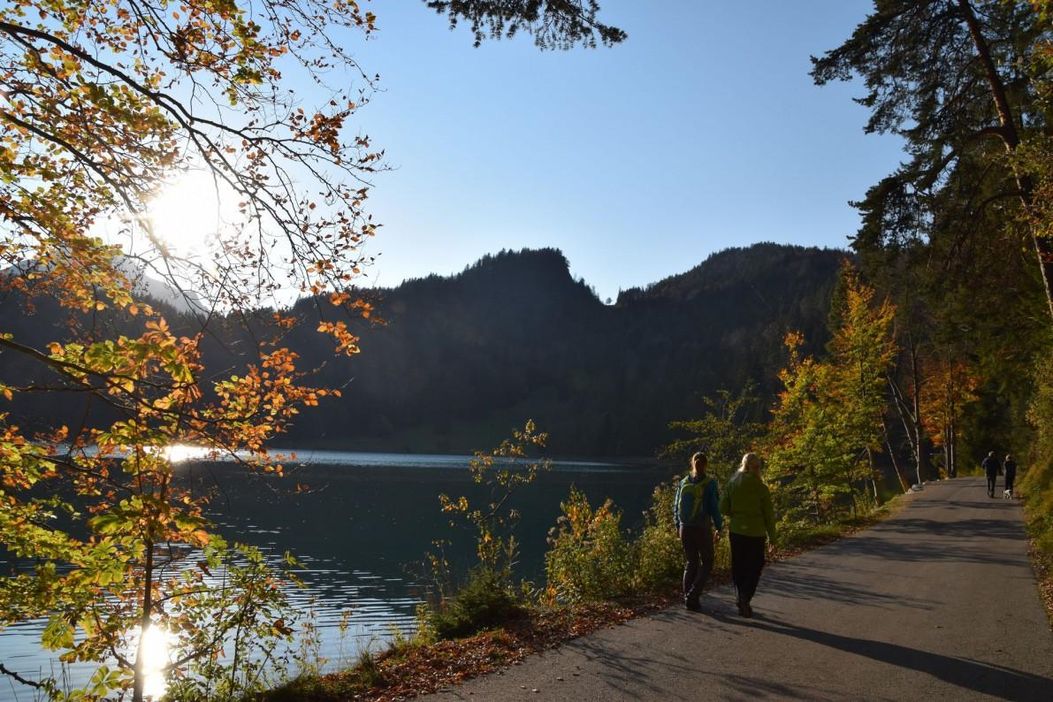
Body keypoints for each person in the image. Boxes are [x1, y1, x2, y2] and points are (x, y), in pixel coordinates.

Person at [719, 452, 776, 618]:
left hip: (737, 531)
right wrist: (773, 538)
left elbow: (722, 508)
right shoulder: (761, 488)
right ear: (757, 468)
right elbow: (769, 515)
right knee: (755, 566)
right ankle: (745, 597)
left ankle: (739, 596)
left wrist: (735, 514)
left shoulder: (732, 484)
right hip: (756, 533)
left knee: (738, 565)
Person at [673, 452, 723, 612]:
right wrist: (719, 527)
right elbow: (714, 508)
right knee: (707, 561)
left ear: (692, 463)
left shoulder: (683, 482)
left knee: (691, 562)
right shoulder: (710, 483)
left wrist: (677, 525)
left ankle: (688, 598)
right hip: (701, 528)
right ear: (706, 464)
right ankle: (693, 596)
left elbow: (675, 506)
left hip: (685, 527)